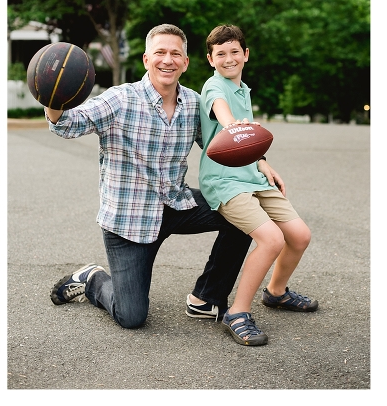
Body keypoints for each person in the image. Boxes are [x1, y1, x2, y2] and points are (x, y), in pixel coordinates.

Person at [47, 23, 253, 330]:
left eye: (175, 54)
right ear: (146, 59)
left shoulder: (194, 104)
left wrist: (261, 166)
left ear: (185, 62)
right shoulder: (120, 99)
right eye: (160, 52)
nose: (167, 60)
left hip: (176, 205)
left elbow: (224, 144)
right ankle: (93, 279)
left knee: (246, 217)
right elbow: (67, 124)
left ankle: (206, 297)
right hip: (129, 220)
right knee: (131, 316)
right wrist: (52, 94)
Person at [199, 24, 317, 346]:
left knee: (300, 235)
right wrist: (233, 126)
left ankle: (276, 292)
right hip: (225, 180)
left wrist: (263, 162)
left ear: (246, 54)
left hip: (252, 174)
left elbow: (247, 143)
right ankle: (237, 312)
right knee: (272, 239)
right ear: (210, 59)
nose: (228, 58)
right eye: (220, 54)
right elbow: (223, 114)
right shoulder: (214, 86)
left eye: (234, 51)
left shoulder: (243, 89)